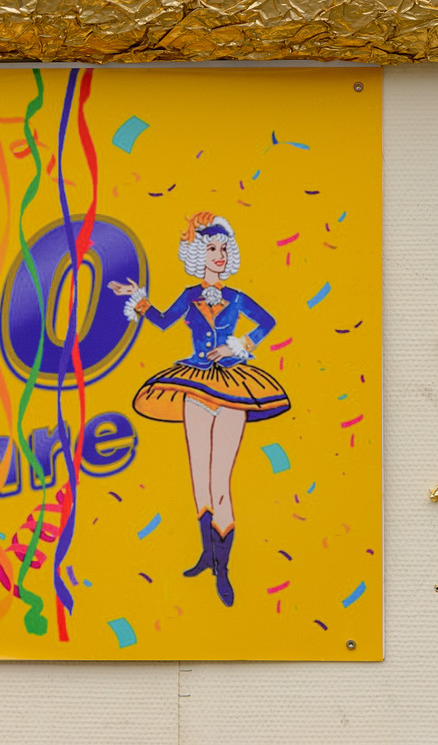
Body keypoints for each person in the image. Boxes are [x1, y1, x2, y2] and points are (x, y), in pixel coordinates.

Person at [108, 212, 289, 607]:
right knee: (200, 480)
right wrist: (137, 298)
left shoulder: (236, 297)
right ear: (197, 254)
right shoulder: (190, 296)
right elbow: (162, 321)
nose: (219, 255)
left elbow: (268, 321)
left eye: (224, 248)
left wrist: (239, 344)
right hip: (193, 385)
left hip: (230, 388)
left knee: (220, 482)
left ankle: (224, 569)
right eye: (211, 249)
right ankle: (207, 556)